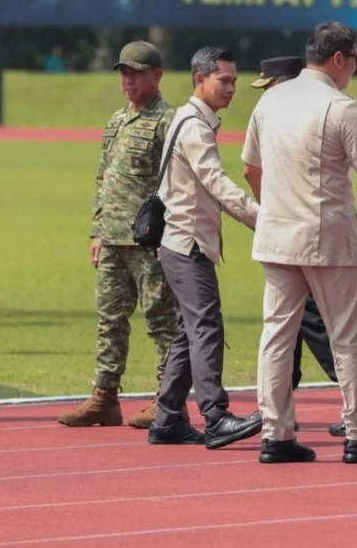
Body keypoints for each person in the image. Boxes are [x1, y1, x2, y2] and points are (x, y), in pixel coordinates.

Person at [249, 22, 357, 464]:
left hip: (277, 235)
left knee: (276, 337)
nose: (355, 68)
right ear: (339, 58)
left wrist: (273, 205)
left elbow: (251, 167)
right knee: (346, 337)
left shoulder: (270, 100)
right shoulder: (342, 107)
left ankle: (276, 434)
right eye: (355, 58)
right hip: (326, 236)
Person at [57, 40, 179, 430]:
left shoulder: (168, 121)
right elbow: (103, 177)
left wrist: (169, 235)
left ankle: (168, 398)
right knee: (110, 321)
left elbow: (178, 182)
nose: (127, 80)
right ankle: (105, 397)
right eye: (123, 73)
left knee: (161, 322)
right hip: (112, 239)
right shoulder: (117, 120)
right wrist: (97, 230)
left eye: (136, 72)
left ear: (156, 76)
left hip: (150, 241)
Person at [147, 46, 262, 450]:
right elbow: (216, 182)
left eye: (233, 80)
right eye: (224, 80)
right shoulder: (195, 126)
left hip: (178, 242)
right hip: (186, 243)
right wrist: (261, 219)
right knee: (206, 327)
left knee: (187, 333)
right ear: (200, 80)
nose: (232, 88)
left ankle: (167, 420)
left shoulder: (189, 118)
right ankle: (215, 416)